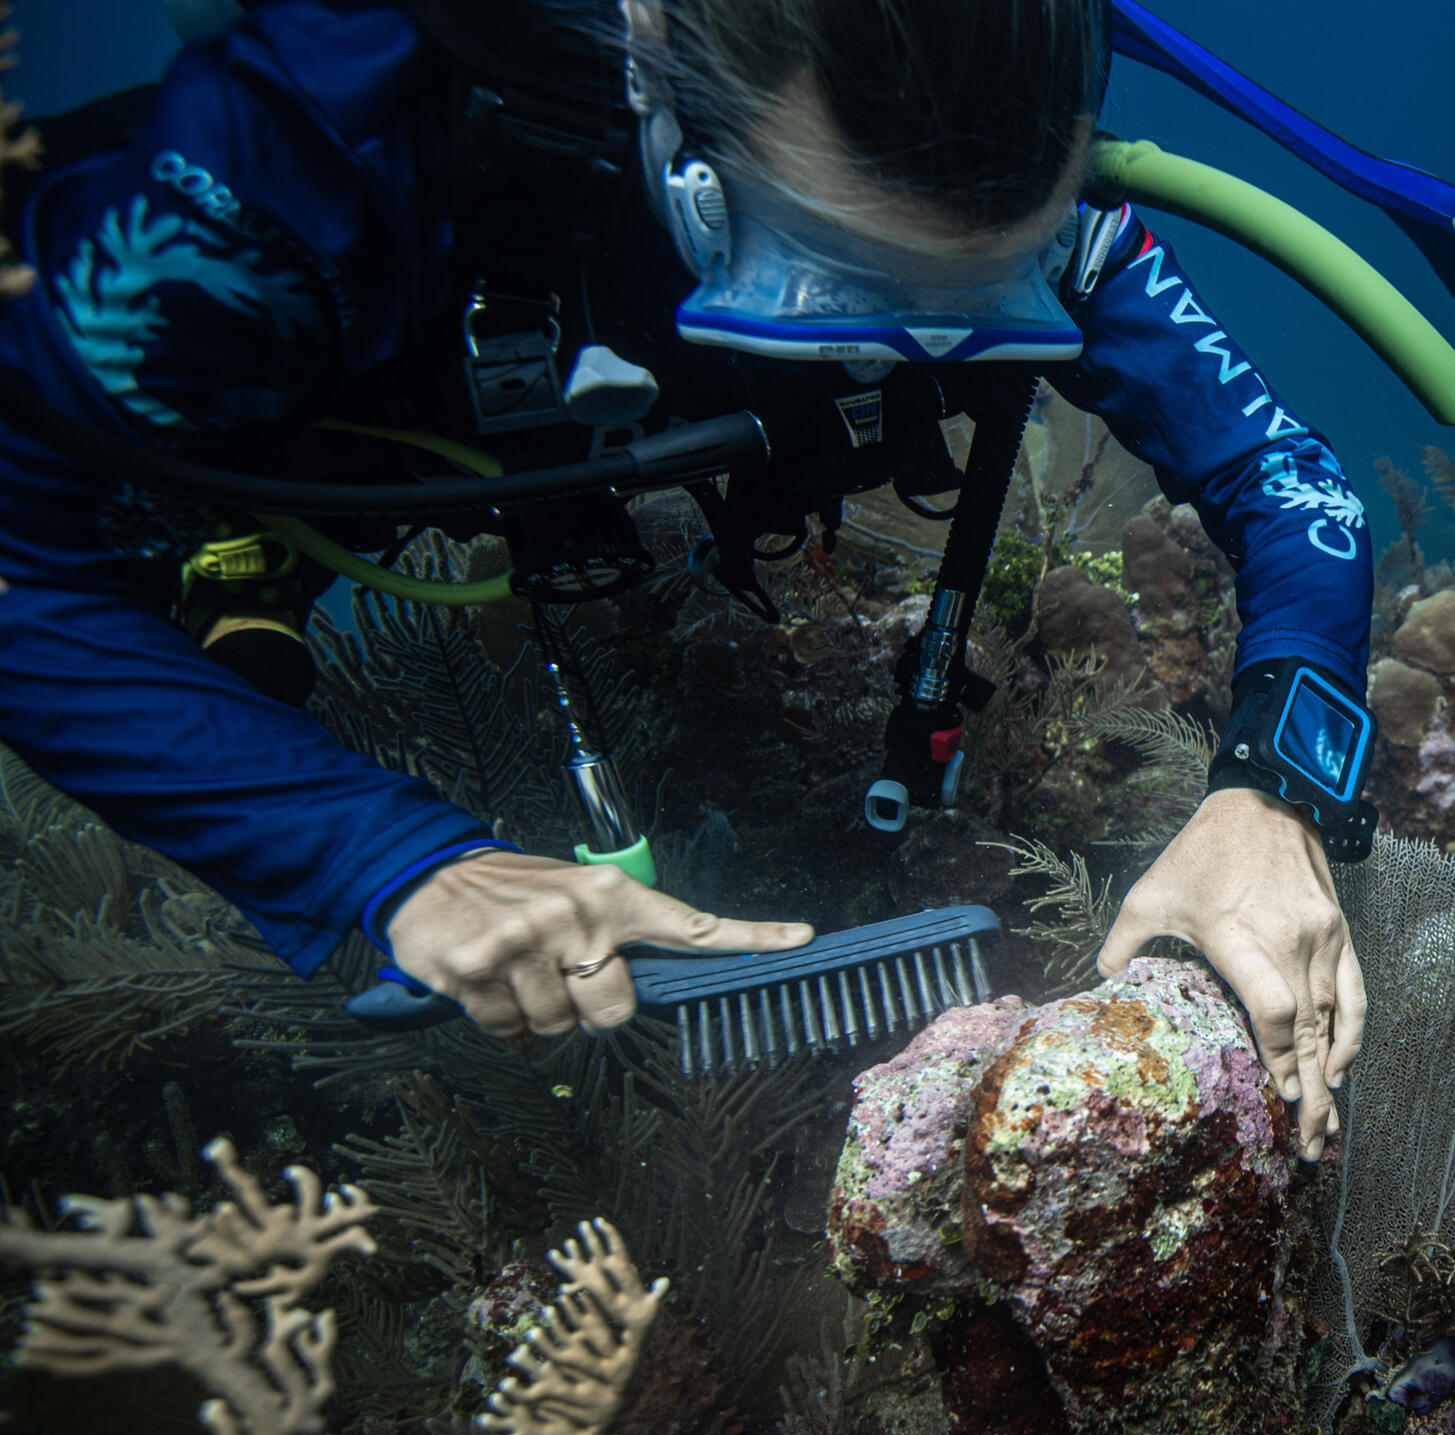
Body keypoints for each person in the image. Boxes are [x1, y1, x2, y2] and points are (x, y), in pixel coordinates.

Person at [0, 0, 1369, 1160]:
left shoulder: (1010, 118)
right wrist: (378, 852)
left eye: (991, 296)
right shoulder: (287, 169)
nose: (897, 359)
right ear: (654, 63)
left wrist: (1276, 786)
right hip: (302, 405)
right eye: (843, 285)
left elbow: (1289, 483)